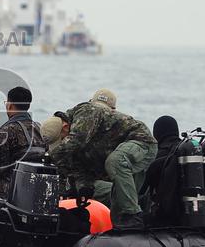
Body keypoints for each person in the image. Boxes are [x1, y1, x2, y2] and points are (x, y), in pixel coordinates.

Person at [50, 88, 157, 230]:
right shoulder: (83, 139)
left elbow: (77, 139)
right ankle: (127, 220)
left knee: (115, 161)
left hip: (140, 143)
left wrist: (52, 155)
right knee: (114, 205)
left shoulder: (86, 113)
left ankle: (133, 214)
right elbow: (82, 171)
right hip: (120, 167)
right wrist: (84, 188)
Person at [0, 86, 46, 198]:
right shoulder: (39, 128)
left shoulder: (6, 130)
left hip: (13, 188)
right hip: (37, 185)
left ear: (10, 105)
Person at [141, 115, 183, 223]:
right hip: (191, 212)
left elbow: (141, 189)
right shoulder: (187, 151)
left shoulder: (156, 156)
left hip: (166, 216)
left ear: (157, 134)